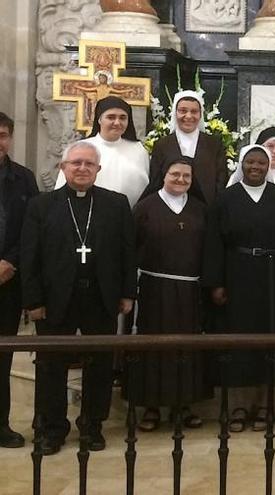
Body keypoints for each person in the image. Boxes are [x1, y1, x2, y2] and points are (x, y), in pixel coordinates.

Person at [21, 141, 137, 455]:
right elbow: (30, 256)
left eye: (89, 164)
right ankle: (52, 427)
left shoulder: (116, 204)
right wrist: (33, 301)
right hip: (55, 298)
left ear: (98, 170)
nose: (82, 168)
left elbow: (128, 252)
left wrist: (128, 293)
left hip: (101, 296)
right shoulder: (41, 206)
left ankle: (92, 426)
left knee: (99, 364)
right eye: (76, 163)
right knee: (50, 365)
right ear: (64, 168)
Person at [201, 144, 275, 433]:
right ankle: (238, 407)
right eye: (250, 162)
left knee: (271, 340)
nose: (255, 167)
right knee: (238, 342)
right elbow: (213, 243)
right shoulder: (225, 199)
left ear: (269, 166)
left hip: (274, 276)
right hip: (237, 274)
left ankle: (266, 406)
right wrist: (216, 282)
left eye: (261, 163)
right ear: (241, 165)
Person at [126, 157, 211, 432]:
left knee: (185, 348)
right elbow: (129, 250)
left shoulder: (200, 209)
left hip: (189, 291)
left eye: (187, 176)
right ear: (163, 175)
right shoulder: (145, 208)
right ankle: (151, 407)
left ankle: (183, 405)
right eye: (175, 174)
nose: (181, 180)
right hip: (153, 290)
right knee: (154, 347)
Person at [0, 113, 39, 448]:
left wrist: (11, 261)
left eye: (2, 134)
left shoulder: (24, 179)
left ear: (10, 137)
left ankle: (1, 424)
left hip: (7, 280)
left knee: (3, 355)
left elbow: (32, 228)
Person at [55, 96, 149, 208]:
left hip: (130, 215)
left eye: (123, 118)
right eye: (111, 117)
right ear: (99, 119)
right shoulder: (81, 148)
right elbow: (63, 186)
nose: (117, 122)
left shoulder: (138, 150)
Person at [149, 90, 228, 205]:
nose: (188, 116)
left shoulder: (214, 144)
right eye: (183, 111)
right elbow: (155, 181)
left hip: (207, 208)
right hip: (169, 207)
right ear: (175, 113)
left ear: (200, 114)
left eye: (194, 111)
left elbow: (221, 180)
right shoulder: (162, 145)